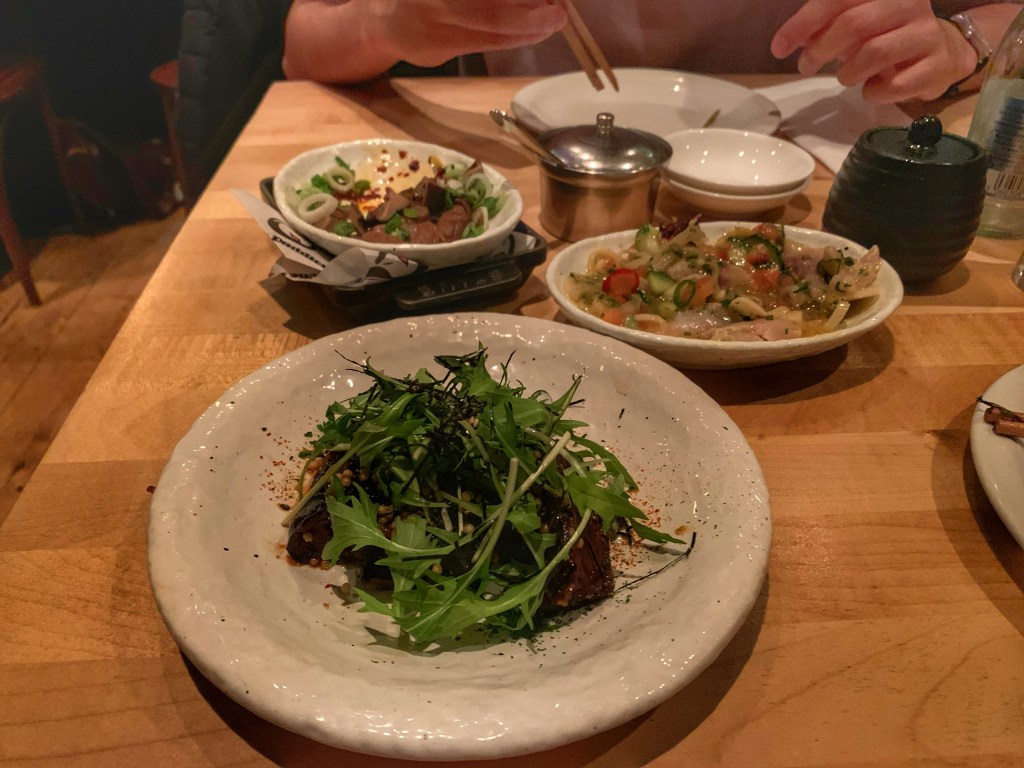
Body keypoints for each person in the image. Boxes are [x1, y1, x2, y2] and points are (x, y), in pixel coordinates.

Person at [281, 0, 1023, 103]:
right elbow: (302, 49)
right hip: (546, 204)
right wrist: (397, 24)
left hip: (817, 199)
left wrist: (967, 38)